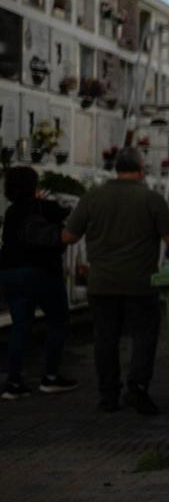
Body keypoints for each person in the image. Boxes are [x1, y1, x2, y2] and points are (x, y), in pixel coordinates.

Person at [62, 147, 169, 414]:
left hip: (101, 283)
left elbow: (69, 236)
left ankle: (108, 395)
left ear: (116, 169)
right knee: (144, 337)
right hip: (140, 283)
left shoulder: (92, 197)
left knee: (105, 339)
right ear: (141, 170)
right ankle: (137, 388)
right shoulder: (151, 199)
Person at [0, 166, 77, 399]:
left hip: (10, 272)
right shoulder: (44, 207)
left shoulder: (11, 212)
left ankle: (13, 382)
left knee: (20, 326)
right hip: (41, 272)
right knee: (59, 322)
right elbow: (71, 217)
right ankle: (50, 376)